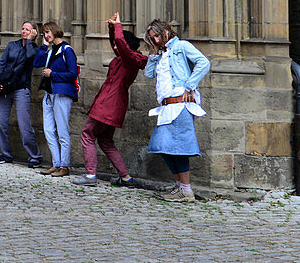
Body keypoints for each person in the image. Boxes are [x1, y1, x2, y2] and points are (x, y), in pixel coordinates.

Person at [73, 12, 147, 187]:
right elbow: (117, 43)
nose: (114, 47)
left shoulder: (130, 59)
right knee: (105, 141)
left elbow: (120, 44)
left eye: (117, 45)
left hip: (108, 104)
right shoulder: (122, 59)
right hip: (111, 104)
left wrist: (118, 27)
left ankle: (90, 175)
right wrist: (112, 28)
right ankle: (126, 177)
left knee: (87, 133)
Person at [143, 18, 211, 202]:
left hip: (180, 104)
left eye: (157, 35)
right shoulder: (161, 53)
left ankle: (186, 191)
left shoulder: (181, 46)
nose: (156, 40)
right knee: (163, 147)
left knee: (178, 148)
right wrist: (153, 53)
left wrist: (189, 84)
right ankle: (180, 187)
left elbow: (203, 62)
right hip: (167, 107)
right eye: (152, 38)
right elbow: (148, 73)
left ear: (166, 31)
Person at [0, 20, 41, 167]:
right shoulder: (12, 45)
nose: (24, 31)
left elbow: (31, 57)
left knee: (24, 124)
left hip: (21, 88)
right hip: (4, 87)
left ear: (33, 33)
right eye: (23, 28)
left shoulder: (35, 49)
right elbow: (2, 64)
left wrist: (30, 41)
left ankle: (35, 156)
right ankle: (5, 154)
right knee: (0, 123)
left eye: (28, 30)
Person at [33, 21, 77, 177]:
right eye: (44, 33)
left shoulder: (67, 50)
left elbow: (73, 74)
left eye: (48, 32)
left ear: (55, 31)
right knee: (48, 130)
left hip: (62, 93)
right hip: (49, 94)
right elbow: (37, 63)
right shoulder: (50, 51)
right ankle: (56, 163)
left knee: (62, 130)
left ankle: (64, 166)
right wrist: (44, 46)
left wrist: (53, 74)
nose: (46, 35)